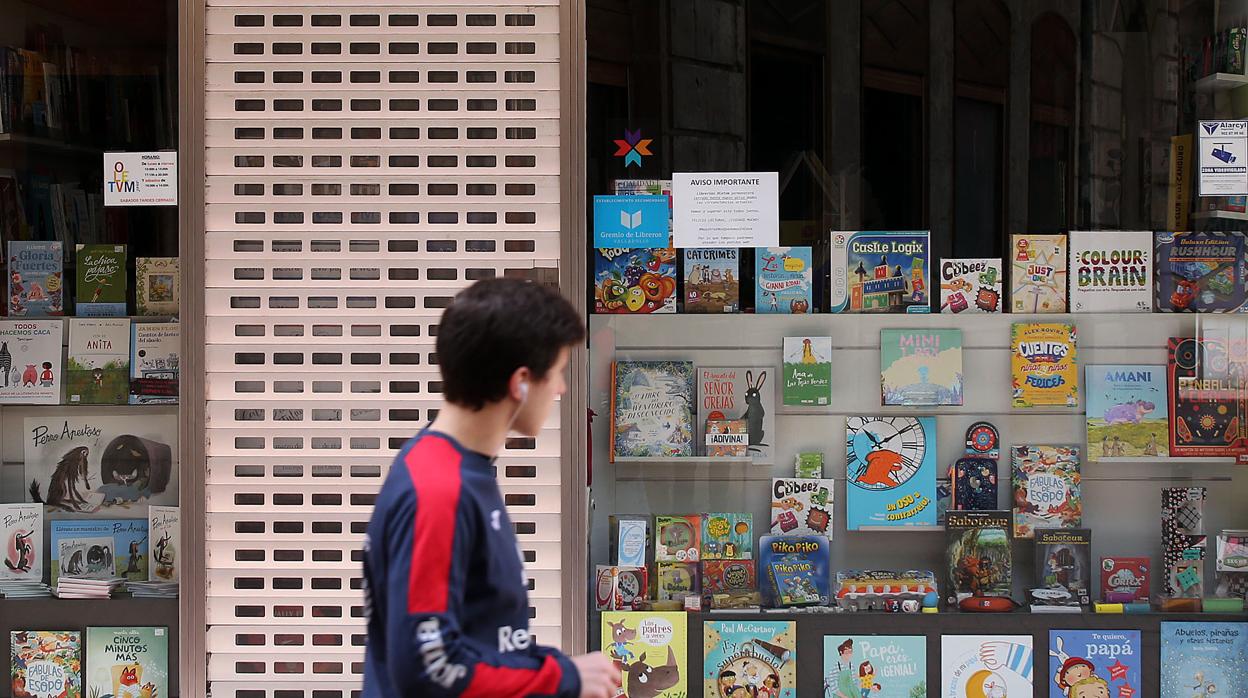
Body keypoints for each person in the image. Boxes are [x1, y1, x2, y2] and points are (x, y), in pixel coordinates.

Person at [362, 279, 619, 697]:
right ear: (520, 382)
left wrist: (556, 668)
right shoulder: (439, 488)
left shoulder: (457, 470)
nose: (561, 389)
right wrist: (561, 679)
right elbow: (429, 667)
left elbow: (482, 637)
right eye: (556, 374)